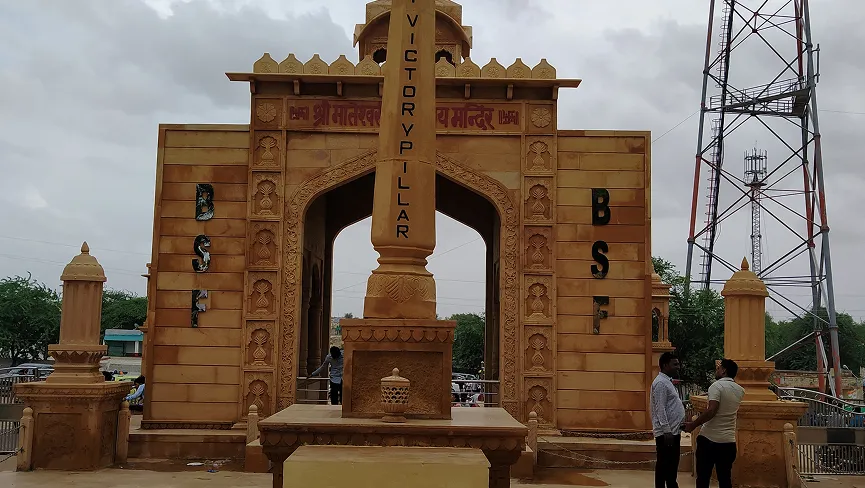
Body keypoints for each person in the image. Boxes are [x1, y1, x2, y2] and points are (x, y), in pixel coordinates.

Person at [684, 359, 745, 488]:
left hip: (709, 440)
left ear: (724, 370)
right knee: (725, 479)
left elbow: (712, 410)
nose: (716, 371)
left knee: (703, 479)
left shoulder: (716, 386)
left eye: (718, 368)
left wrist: (693, 425)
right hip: (728, 441)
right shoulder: (740, 390)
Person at [651, 352, 686, 488]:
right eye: (675, 364)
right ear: (665, 365)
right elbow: (660, 409)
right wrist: (667, 430)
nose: (678, 367)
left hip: (673, 431)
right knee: (665, 467)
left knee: (670, 468)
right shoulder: (660, 383)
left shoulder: (667, 382)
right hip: (667, 434)